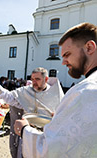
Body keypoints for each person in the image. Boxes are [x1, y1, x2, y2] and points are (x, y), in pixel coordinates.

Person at [14, 22, 97, 158]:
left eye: (67, 54)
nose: (63, 62)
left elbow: (50, 151)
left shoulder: (87, 90)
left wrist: (24, 130)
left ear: (89, 48)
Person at [0, 67, 64, 158]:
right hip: (28, 132)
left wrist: (58, 115)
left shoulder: (56, 93)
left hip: (47, 134)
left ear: (46, 79)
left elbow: (64, 112)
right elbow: (10, 98)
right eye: (32, 79)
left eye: (37, 79)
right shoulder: (26, 91)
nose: (34, 82)